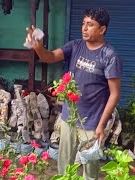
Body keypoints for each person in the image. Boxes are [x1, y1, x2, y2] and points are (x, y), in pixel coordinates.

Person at [25, 8, 122, 179]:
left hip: (92, 123)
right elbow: (50, 56)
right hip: (68, 118)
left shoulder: (109, 56)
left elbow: (114, 94)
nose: (84, 28)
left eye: (90, 25)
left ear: (102, 29)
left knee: (90, 168)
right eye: (83, 24)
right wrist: (38, 48)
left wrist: (101, 125)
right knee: (64, 165)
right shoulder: (75, 46)